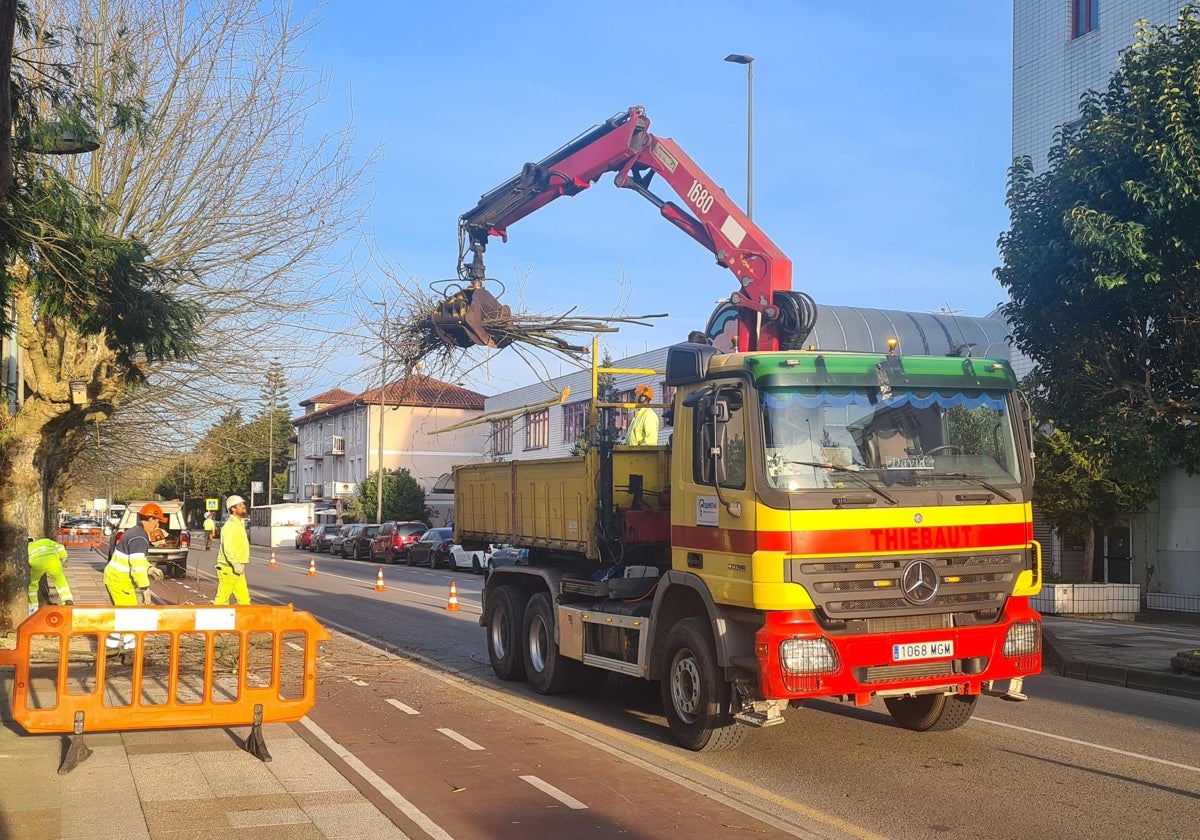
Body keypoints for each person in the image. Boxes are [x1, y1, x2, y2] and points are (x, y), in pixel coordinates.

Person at [103, 502, 166, 654]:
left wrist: (150, 568)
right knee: (130, 616)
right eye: (157, 521)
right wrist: (145, 588)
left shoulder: (135, 532)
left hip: (115, 578)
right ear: (150, 519)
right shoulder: (140, 538)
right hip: (120, 581)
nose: (157, 524)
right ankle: (130, 652)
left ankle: (110, 648)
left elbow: (135, 561)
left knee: (121, 614)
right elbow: (137, 566)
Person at [214, 495, 251, 605]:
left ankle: (245, 621)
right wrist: (235, 563)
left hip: (236, 568)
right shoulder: (230, 526)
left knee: (244, 599)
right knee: (222, 600)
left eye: (243, 504)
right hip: (228, 568)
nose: (243, 506)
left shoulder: (239, 524)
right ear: (233, 509)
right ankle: (214, 621)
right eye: (240, 505)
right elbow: (228, 547)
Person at [27, 536, 73, 615]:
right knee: (61, 581)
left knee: (33, 585)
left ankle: (33, 608)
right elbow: (60, 547)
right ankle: (67, 600)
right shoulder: (46, 541)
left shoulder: (27, 547)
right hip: (53, 561)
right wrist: (64, 557)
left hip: (37, 563)